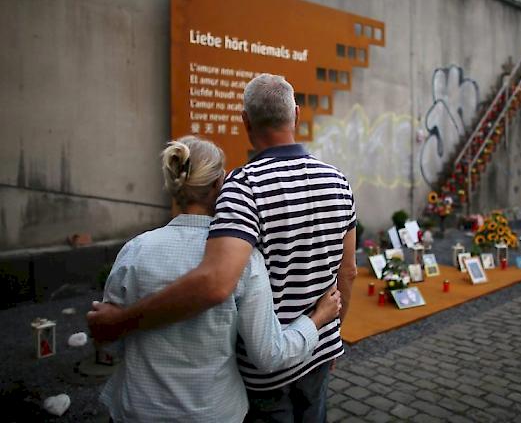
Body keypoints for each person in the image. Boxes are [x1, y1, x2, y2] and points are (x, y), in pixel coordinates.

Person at [88, 74, 358, 422]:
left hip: (264, 376)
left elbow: (217, 283)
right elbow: (347, 271)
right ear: (297, 115)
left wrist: (118, 322)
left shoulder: (243, 187)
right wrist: (332, 334)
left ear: (245, 120)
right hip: (318, 348)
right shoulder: (338, 180)